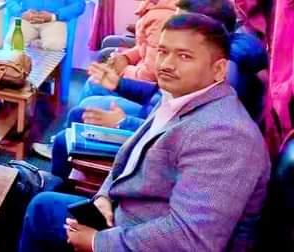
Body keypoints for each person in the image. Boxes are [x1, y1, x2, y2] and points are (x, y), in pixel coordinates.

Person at [19, 13, 271, 252]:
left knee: (42, 209)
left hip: (145, 235)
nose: (167, 64)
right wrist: (104, 197)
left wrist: (98, 242)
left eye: (184, 56)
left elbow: (192, 240)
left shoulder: (225, 135)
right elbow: (130, 158)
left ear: (219, 70)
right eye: (163, 51)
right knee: (41, 205)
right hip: (127, 215)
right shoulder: (180, 96)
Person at [99, 0, 190, 82]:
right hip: (144, 71)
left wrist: (123, 69)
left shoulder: (162, 17)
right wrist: (126, 58)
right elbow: (146, 47)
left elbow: (150, 75)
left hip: (155, 86)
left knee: (95, 83)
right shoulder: (159, 2)